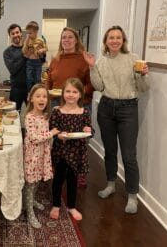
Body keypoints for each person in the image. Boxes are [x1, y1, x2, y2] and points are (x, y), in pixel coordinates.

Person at [83, 25, 149, 214]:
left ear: (123, 40)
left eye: (118, 37)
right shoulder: (101, 62)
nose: (114, 40)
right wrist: (91, 67)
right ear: (106, 41)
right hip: (106, 107)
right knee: (110, 151)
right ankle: (111, 184)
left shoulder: (134, 59)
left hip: (128, 109)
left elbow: (143, 87)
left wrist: (144, 75)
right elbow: (98, 86)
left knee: (129, 155)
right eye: (111, 37)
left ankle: (132, 195)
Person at [47, 27, 94, 188]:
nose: (66, 40)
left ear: (76, 40)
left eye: (70, 37)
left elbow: (91, 83)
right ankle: (58, 169)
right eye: (63, 37)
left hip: (80, 105)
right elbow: (49, 80)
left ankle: (79, 172)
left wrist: (76, 94)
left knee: (79, 141)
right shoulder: (55, 59)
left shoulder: (83, 58)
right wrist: (47, 91)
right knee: (59, 139)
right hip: (57, 104)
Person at [49, 78, 92, 221]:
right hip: (61, 150)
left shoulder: (84, 112)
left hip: (77, 151)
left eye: (75, 92)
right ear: (62, 93)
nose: (71, 94)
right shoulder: (57, 111)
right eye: (68, 91)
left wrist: (88, 129)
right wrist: (58, 135)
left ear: (80, 94)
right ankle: (56, 204)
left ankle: (72, 206)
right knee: (58, 179)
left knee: (73, 180)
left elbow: (90, 131)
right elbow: (52, 129)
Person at [24, 83, 60, 228]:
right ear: (31, 98)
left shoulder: (46, 116)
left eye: (44, 96)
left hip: (42, 155)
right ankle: (29, 212)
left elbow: (45, 138)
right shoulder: (29, 117)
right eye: (38, 96)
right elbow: (34, 137)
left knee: (38, 179)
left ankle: (31, 200)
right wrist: (51, 133)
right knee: (30, 184)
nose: (42, 99)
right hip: (32, 156)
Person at [3, 23, 27, 111]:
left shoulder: (29, 47)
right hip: (16, 89)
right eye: (12, 33)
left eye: (17, 32)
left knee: (33, 114)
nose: (15, 35)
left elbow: (39, 61)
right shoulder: (7, 52)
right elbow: (13, 69)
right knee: (14, 114)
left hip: (31, 87)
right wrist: (25, 55)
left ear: (21, 33)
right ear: (10, 36)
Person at [22, 21, 48, 92]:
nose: (28, 35)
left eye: (30, 33)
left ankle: (37, 92)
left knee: (37, 79)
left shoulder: (41, 40)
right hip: (29, 62)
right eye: (27, 33)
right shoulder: (27, 40)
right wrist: (26, 41)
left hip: (38, 62)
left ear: (36, 32)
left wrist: (42, 50)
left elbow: (46, 49)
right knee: (29, 78)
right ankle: (29, 92)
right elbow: (24, 51)